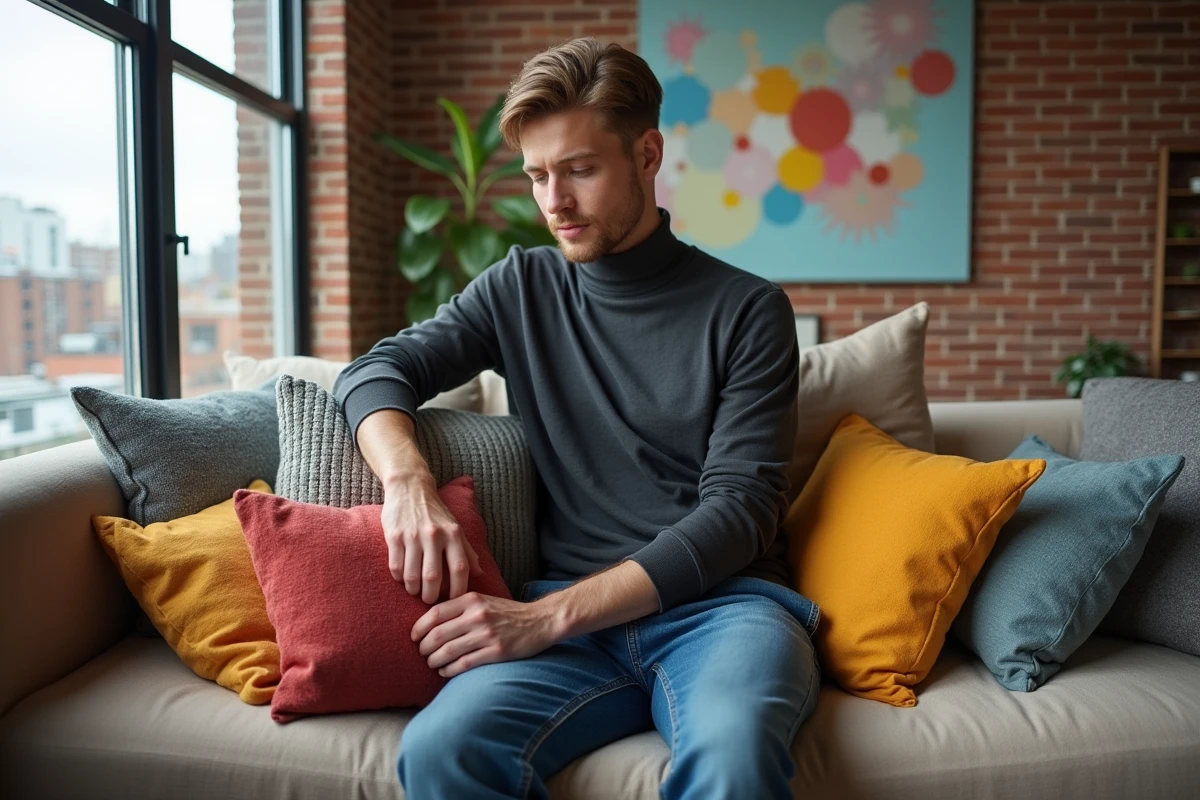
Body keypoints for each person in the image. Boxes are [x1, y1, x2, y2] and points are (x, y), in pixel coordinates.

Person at [332, 36, 820, 800]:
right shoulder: (520, 287)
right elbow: (374, 372)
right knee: (439, 750)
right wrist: (407, 483)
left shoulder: (748, 309)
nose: (553, 202)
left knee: (733, 759)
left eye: (580, 170)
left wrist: (547, 617)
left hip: (721, 613)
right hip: (573, 631)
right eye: (536, 177)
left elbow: (741, 513)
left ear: (648, 154)